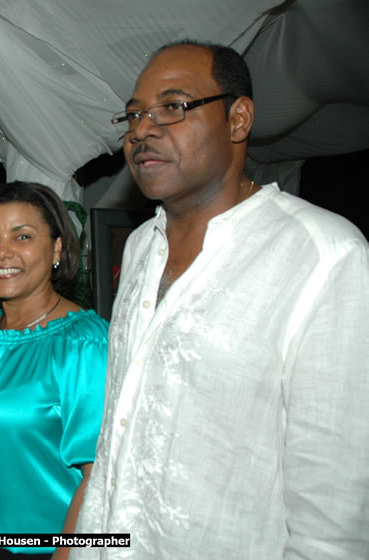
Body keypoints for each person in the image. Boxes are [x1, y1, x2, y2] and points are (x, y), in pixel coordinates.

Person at [72, 40, 369, 559]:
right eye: (135, 114)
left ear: (238, 120)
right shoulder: (142, 246)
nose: (142, 128)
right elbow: (115, 440)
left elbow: (332, 520)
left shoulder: (324, 256)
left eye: (173, 106)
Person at [0, 182, 108, 560]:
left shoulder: (83, 343)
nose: (2, 252)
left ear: (57, 248)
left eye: (23, 236)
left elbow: (99, 478)